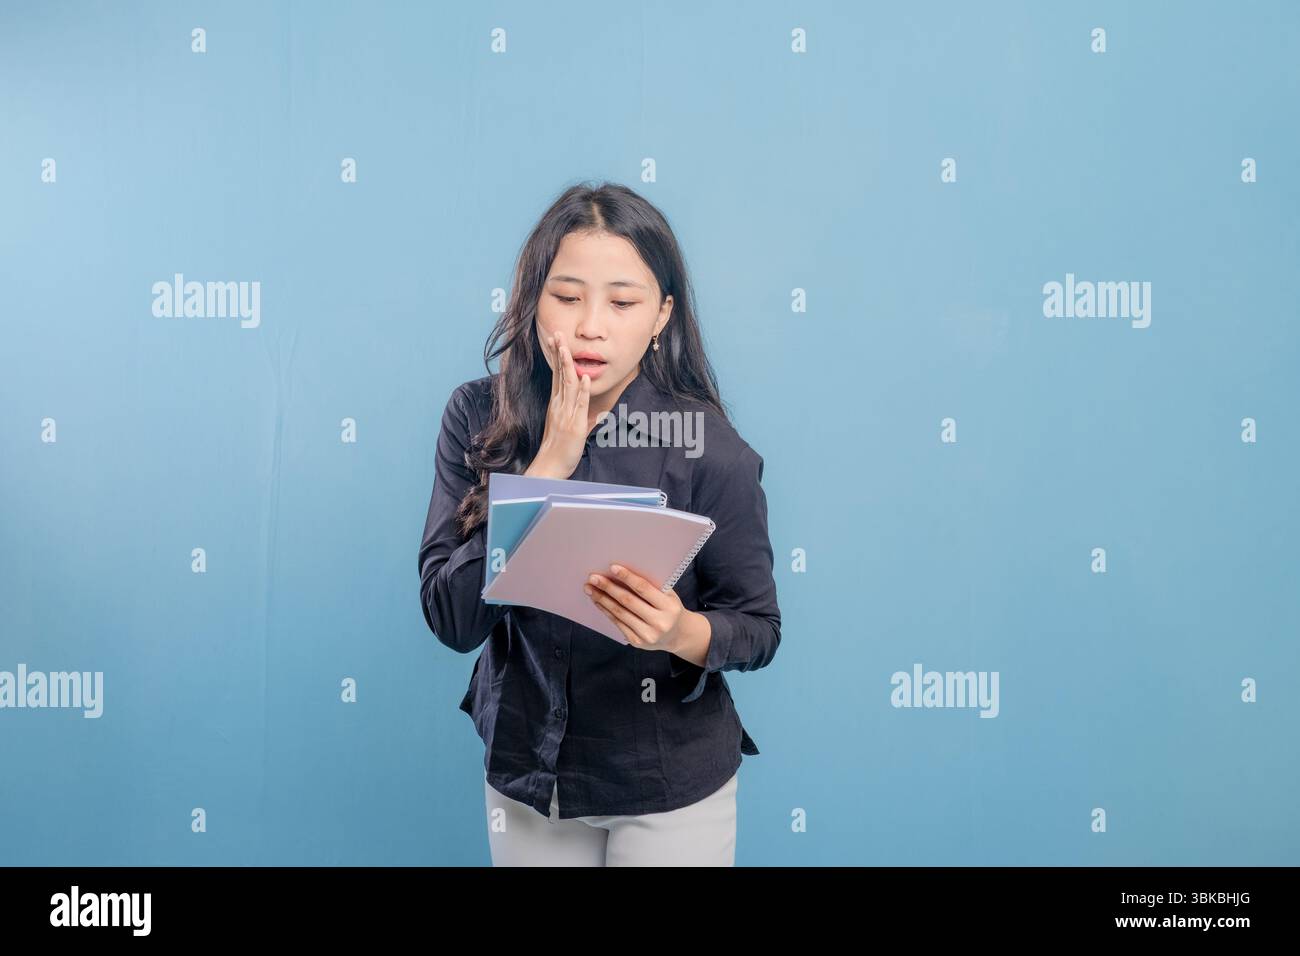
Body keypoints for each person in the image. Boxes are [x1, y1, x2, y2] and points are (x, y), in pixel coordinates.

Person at [417, 181, 781, 866]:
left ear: (661, 316)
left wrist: (681, 631)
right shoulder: (474, 416)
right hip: (530, 771)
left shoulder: (707, 445)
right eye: (565, 296)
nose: (590, 326)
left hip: (669, 778)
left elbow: (758, 627)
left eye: (622, 302)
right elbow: (451, 619)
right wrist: (544, 471)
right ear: (532, 299)